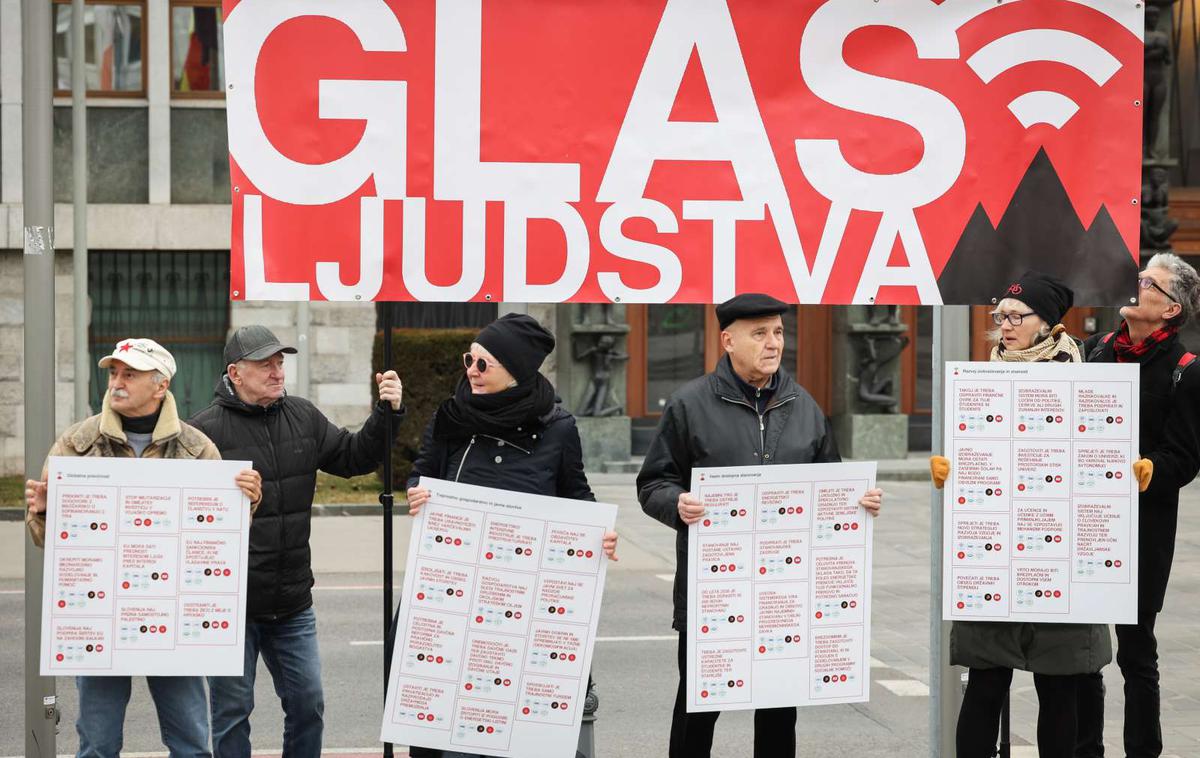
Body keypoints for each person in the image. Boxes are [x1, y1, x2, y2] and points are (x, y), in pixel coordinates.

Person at [636, 293, 884, 758]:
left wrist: (859, 502)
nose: (774, 344)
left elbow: (829, 486)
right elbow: (653, 483)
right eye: (760, 333)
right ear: (729, 340)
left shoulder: (804, 406)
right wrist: (678, 503)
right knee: (697, 709)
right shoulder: (690, 404)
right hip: (715, 592)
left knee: (777, 713)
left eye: (779, 332)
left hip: (783, 592)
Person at [929, 271, 1144, 757]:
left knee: (1060, 685)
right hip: (997, 561)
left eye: (1015, 317)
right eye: (999, 316)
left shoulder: (1088, 373)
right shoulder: (981, 378)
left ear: (1047, 323)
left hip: (1062, 560)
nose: (1003, 326)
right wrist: (951, 471)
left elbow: (1104, 447)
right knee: (984, 683)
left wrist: (1126, 470)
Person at [24, 338, 262, 758]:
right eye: (114, 372)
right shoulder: (75, 443)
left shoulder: (196, 448)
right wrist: (45, 513)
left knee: (191, 744)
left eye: (128, 374)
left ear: (160, 385)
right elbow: (46, 541)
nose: (116, 381)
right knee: (97, 745)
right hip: (100, 621)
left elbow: (219, 543)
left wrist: (246, 501)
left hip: (170, 622)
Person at [401, 313, 619, 758]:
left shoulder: (558, 428)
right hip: (452, 595)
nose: (471, 372)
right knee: (442, 725)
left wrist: (601, 534)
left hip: (523, 603)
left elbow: (577, 495)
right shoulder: (451, 416)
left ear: (516, 371)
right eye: (470, 360)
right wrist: (415, 494)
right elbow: (421, 474)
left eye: (485, 364)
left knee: (514, 724)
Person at [190, 325, 405, 758]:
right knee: (232, 713)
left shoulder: (303, 416)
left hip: (292, 603)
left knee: (309, 706)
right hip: (231, 607)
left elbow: (354, 456)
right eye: (264, 363)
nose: (276, 371)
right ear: (235, 372)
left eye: (280, 361)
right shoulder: (203, 434)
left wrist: (387, 411)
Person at [1075, 253, 1200, 758]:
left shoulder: (1185, 371)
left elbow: (1185, 458)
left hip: (1142, 528)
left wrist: (1150, 468)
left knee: (1135, 653)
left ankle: (1142, 750)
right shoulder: (1095, 350)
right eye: (1140, 276)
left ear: (1171, 310)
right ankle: (1085, 749)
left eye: (1151, 282)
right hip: (1083, 519)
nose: (1138, 283)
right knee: (1083, 650)